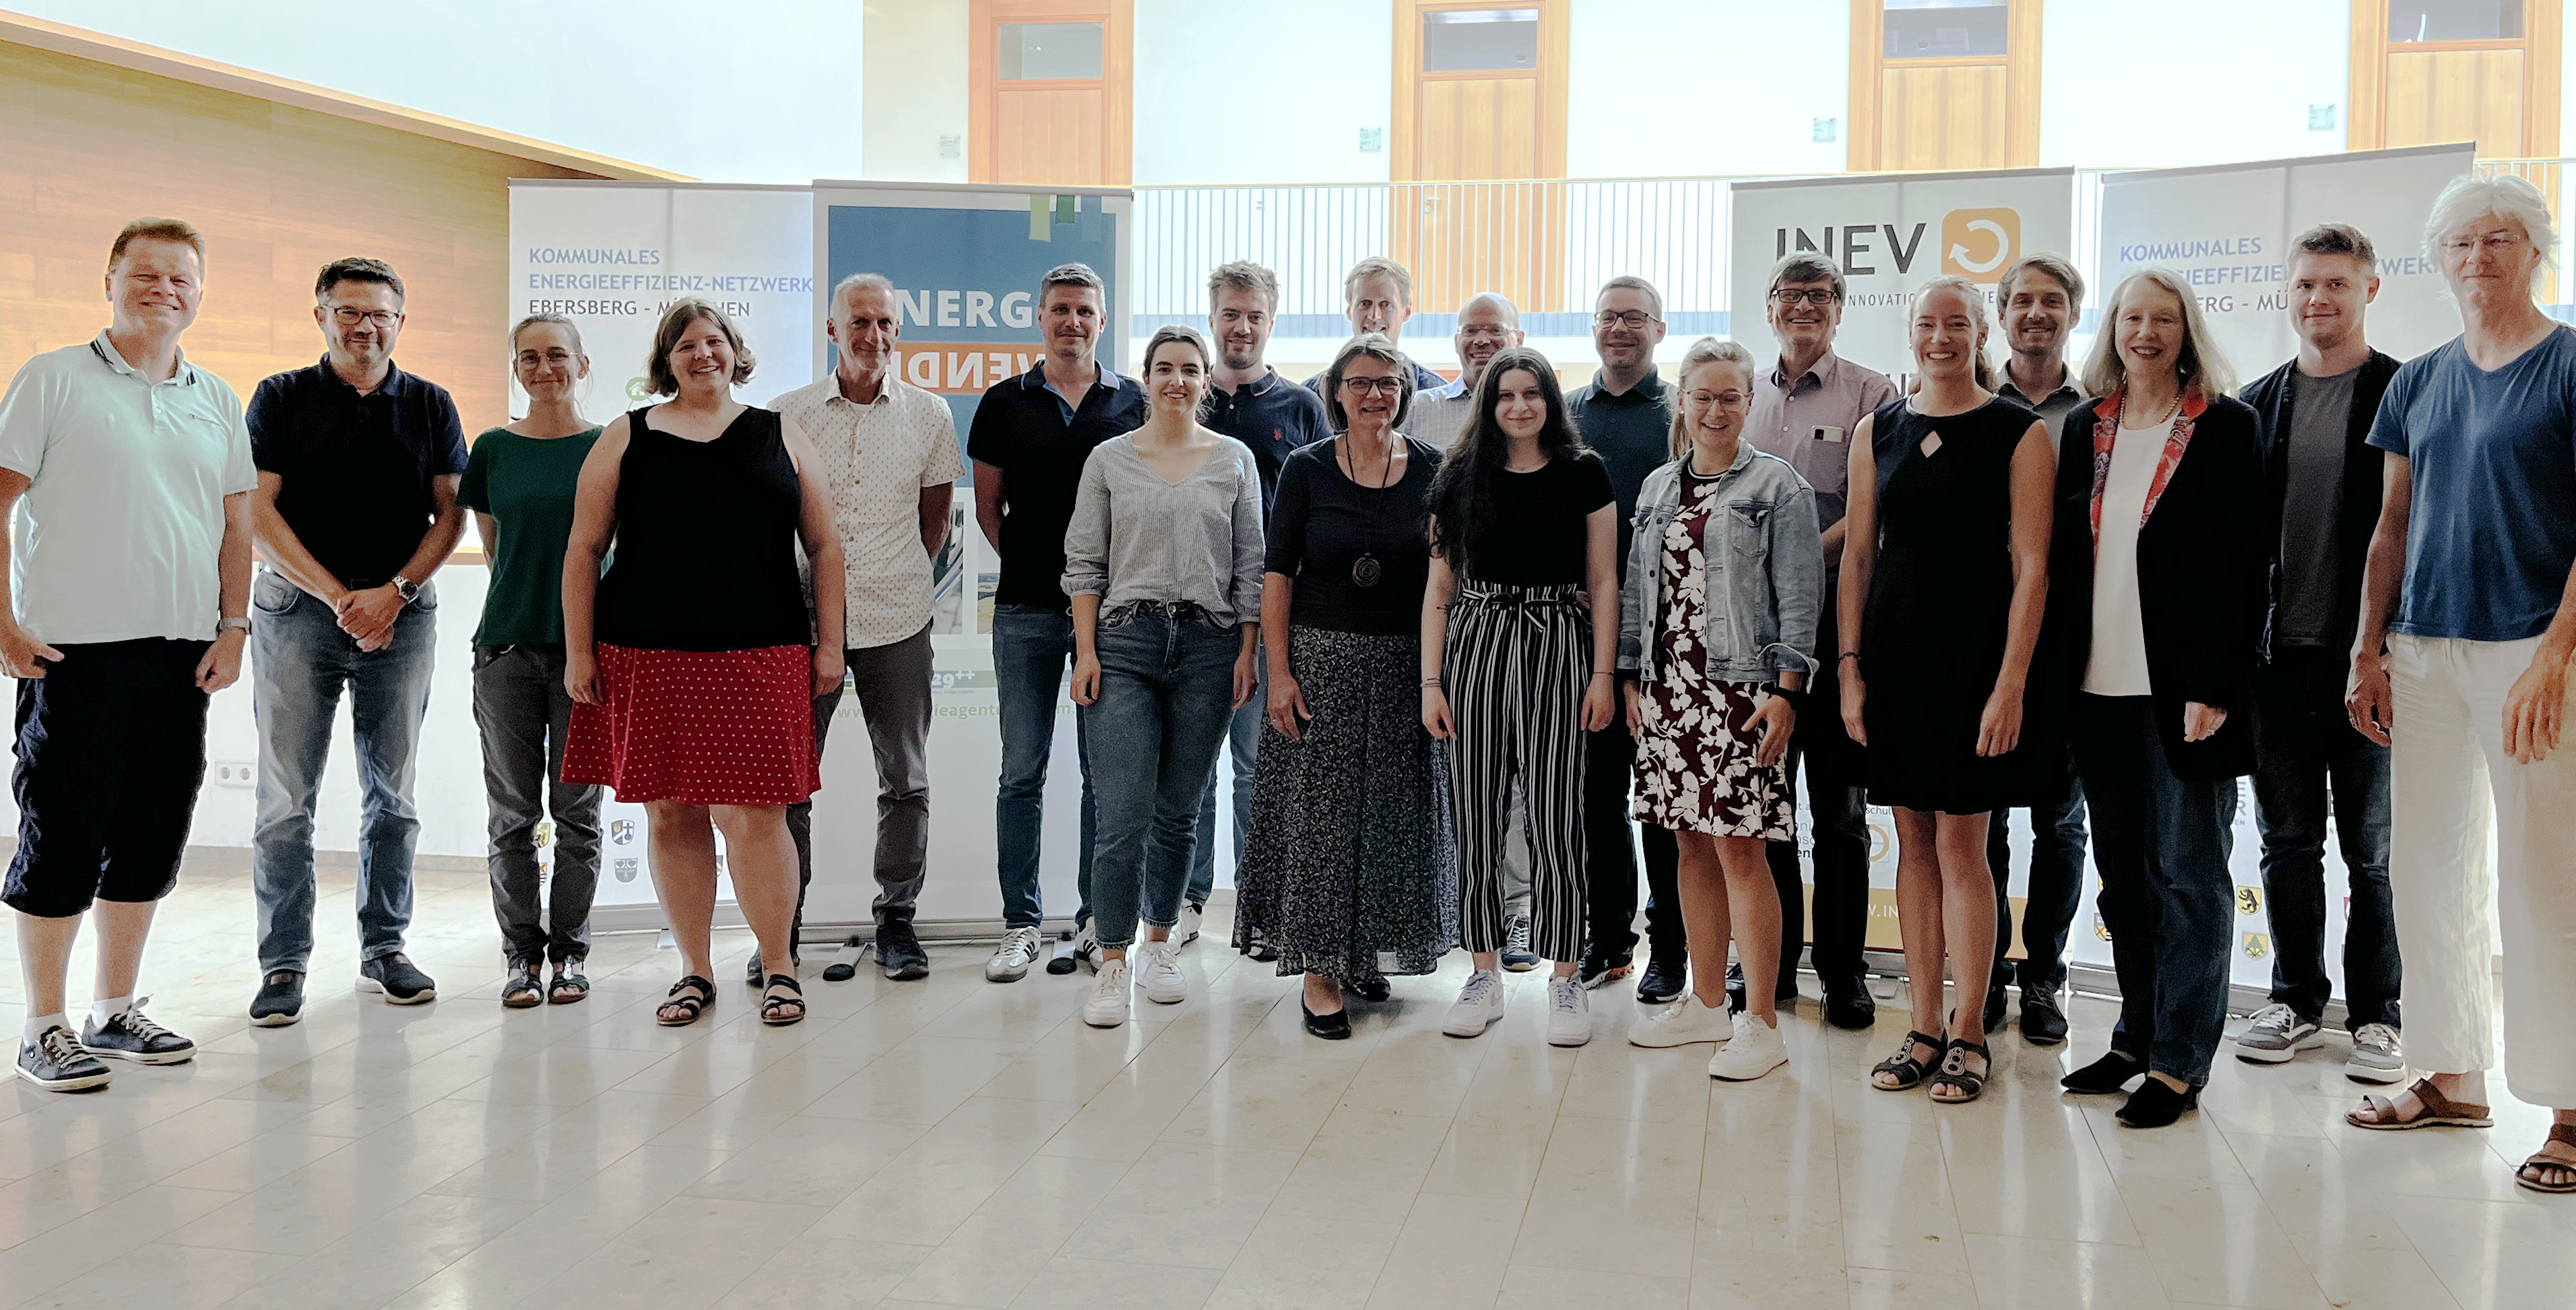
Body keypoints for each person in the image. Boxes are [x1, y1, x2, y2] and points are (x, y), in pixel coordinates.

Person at [2344, 173, 2576, 1195]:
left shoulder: (2570, 362)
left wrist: (2561, 653)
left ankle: (2569, 1107)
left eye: (2499, 241)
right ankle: (2452, 1076)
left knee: (2544, 880)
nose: (2478, 259)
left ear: (2534, 250)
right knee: (2428, 872)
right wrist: (2369, 647)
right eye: (2460, 245)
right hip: (2424, 649)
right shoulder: (2420, 379)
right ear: (2438, 262)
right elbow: (2390, 526)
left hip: (2534, 651)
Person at [0, 218, 252, 1092]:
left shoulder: (216, 398)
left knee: (151, 835)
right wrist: (2, 623)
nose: (164, 289)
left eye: (182, 277)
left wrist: (233, 627)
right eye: (145, 274)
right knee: (62, 835)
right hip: (71, 655)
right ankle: (42, 1025)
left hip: (181, 656)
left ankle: (115, 1010)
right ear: (109, 280)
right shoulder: (52, 380)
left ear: (199, 292)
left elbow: (237, 525)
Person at [559, 298, 844, 1030]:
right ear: (667, 359)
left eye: (713, 340)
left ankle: (778, 967)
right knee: (671, 814)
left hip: (762, 649)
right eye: (685, 344)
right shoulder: (627, 435)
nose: (701, 353)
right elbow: (583, 550)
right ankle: (693, 970)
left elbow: (824, 547)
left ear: (733, 350)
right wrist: (579, 650)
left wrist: (830, 643)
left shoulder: (779, 432)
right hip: (647, 653)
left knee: (757, 817)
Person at [2051, 269, 2265, 1129]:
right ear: (2112, 329)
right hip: (2096, 688)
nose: (2145, 333)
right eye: (2132, 318)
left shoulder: (2224, 425)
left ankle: (2179, 1063)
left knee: (2189, 881)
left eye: (2163, 320)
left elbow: (2243, 564)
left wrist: (2215, 685)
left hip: (2183, 693)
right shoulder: (2085, 426)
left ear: (2186, 331)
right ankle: (2135, 1037)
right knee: (2123, 884)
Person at [1840, 278, 2057, 1104]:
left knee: (1964, 848)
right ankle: (1922, 1024)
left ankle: (1969, 1030)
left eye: (1955, 324)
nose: (1940, 337)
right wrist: (1850, 671)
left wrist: (2010, 685)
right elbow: (1858, 558)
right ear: (1910, 331)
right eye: (1926, 324)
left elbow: (2031, 568)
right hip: (1893, 660)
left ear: (1979, 334)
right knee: (1912, 843)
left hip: (1975, 664)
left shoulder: (2016, 431)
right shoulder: (1878, 428)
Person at [245, 257, 468, 1026]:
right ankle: (283, 964)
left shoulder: (431, 404)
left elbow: (451, 516)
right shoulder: (279, 396)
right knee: (284, 802)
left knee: (394, 798)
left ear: (399, 321)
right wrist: (339, 597)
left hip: (403, 617)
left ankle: (385, 949)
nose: (363, 325)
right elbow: (259, 516)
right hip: (297, 613)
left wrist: (394, 594)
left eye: (379, 313)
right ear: (321, 317)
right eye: (348, 311)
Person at [1234, 333, 1454, 1038]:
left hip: (1400, 665)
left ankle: (1362, 952)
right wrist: (1278, 674)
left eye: (1387, 382)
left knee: (1388, 817)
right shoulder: (1304, 469)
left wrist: (1434, 676)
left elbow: (1445, 580)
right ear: (1335, 392)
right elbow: (1276, 576)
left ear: (1402, 391)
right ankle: (1320, 972)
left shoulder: (1432, 470)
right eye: (1359, 383)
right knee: (1321, 821)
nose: (1373, 395)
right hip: (1319, 663)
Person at [1617, 337, 1821, 1081]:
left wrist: (1784, 692)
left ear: (1748, 403)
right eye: (1700, 396)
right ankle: (1705, 1004)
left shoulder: (1778, 487)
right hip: (1670, 693)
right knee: (1686, 844)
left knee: (1741, 849)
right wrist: (1632, 677)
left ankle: (1759, 1021)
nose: (1714, 409)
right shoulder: (1654, 489)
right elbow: (1643, 594)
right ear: (1681, 401)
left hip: (1740, 696)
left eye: (1728, 396)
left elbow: (1799, 600)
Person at [2232, 225, 2404, 1082]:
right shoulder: (2257, 404)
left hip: (2369, 665)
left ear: (2369, 290)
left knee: (2369, 849)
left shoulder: (2405, 393)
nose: (2317, 300)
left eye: (2335, 284)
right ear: (2286, 295)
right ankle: (2295, 997)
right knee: (2286, 841)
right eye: (2303, 285)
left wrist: (2380, 650)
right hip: (2276, 665)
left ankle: (2378, 1016)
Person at [1063, 325, 1264, 1028]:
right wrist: (1085, 652)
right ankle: (1111, 960)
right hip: (1125, 644)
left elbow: (1249, 569)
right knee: (1122, 813)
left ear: (1204, 380)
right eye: (1164, 368)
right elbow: (1084, 563)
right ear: (1145, 379)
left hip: (1209, 648)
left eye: (1189, 369)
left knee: (1181, 809)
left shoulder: (1233, 460)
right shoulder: (1108, 460)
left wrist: (1246, 652)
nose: (1176, 380)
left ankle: (1158, 944)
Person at [1423, 346, 1620, 1047]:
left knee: (1556, 812)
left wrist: (1601, 675)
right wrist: (1430, 683)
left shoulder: (1583, 474)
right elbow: (1439, 590)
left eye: (1530, 393)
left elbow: (1603, 583)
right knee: (1475, 814)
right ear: (1487, 403)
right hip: (1475, 641)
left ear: (1548, 399)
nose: (1517, 406)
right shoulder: (1458, 475)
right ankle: (1483, 972)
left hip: (1557, 644)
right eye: (1504, 395)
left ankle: (1564, 974)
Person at [771, 274, 962, 984]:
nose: (873, 335)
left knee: (906, 781)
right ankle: (779, 931)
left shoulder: (929, 415)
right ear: (831, 330)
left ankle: (896, 923)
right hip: (798, 622)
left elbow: (934, 522)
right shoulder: (787, 415)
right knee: (788, 782)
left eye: (885, 322)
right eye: (859, 322)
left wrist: (897, 574)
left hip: (897, 619)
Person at [968, 263, 1148, 968]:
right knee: (1021, 771)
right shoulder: (1002, 402)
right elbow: (988, 509)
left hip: (1112, 619)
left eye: (1084, 311)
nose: (1072, 322)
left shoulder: (1131, 401)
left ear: (1102, 321)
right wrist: (1036, 566)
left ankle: (1093, 918)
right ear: (1039, 318)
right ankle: (1020, 924)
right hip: (1024, 612)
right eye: (1060, 310)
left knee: (1104, 773)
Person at [1745, 253, 1899, 1028]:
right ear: (1769, 306)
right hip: (1754, 642)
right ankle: (1769, 970)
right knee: (1764, 812)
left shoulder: (1873, 394)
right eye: (1790, 294)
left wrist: (1794, 562)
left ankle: (1843, 972)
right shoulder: (1741, 394)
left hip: (1835, 630)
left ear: (1839, 307)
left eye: (1819, 294)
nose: (1803, 306)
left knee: (1838, 819)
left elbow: (1871, 517)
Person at [459, 314, 604, 1009]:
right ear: (515, 368)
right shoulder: (491, 449)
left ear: (582, 364)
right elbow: (496, 551)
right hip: (507, 654)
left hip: (586, 659)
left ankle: (570, 955)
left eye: (556, 356)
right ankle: (520, 956)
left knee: (577, 814)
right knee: (511, 816)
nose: (543, 368)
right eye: (528, 358)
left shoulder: (611, 447)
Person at [1188, 261, 1332, 956]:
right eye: (1229, 314)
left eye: (1253, 316)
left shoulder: (1301, 406)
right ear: (1211, 318)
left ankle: (1258, 906)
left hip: (1272, 617)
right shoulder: (1181, 395)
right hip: (1193, 615)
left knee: (1258, 769)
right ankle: (1186, 904)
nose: (1240, 327)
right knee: (1194, 767)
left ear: (1270, 322)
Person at [1983, 253, 2095, 1044]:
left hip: (2070, 642)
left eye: (2050, 302)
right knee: (1978, 822)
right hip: (1974, 637)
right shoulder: (1962, 401)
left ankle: (2044, 979)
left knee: (2059, 824)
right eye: (2020, 300)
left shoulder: (2097, 410)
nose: (2034, 313)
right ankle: (1982, 973)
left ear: (2071, 315)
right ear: (2000, 313)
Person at [1568, 277, 1675, 997]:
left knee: (1666, 803)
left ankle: (1671, 951)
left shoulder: (1680, 411)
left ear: (1658, 331)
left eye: (1634, 318)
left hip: (1671, 634)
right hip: (1580, 634)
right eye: (1608, 317)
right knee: (1594, 797)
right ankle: (1607, 940)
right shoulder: (1565, 412)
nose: (1620, 329)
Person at [1302, 257, 1445, 400]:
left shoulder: (1436, 394)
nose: (1374, 316)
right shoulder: (1312, 396)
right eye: (1365, 304)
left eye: (1386, 304)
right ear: (1349, 311)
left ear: (1406, 313)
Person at [1409, 291, 1524, 451]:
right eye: (1470, 331)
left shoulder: (1536, 412)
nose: (1481, 340)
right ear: (1456, 341)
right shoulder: (1416, 410)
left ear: (1519, 340)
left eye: (1495, 330)